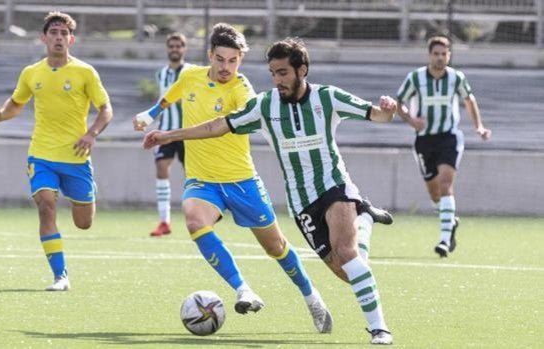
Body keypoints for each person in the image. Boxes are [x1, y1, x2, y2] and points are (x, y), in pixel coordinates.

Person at [143, 38, 395, 345]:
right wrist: (168, 135)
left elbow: (377, 116)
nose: (277, 81)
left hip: (333, 186)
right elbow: (216, 126)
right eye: (273, 73)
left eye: (283, 73)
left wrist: (388, 110)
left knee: (345, 253)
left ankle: (379, 329)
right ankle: (364, 221)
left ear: (302, 70)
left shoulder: (328, 97)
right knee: (347, 271)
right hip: (300, 200)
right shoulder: (265, 105)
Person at [133, 24, 333, 333]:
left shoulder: (242, 89)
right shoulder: (189, 78)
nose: (226, 67)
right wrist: (150, 114)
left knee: (276, 247)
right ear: (210, 55)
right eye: (221, 59)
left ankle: (311, 298)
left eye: (233, 60)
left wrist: (168, 134)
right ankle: (243, 288)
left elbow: (229, 121)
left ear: (240, 60)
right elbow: (168, 98)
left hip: (242, 181)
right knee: (195, 221)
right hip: (202, 180)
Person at [0, 11, 113, 291]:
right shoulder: (32, 73)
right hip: (41, 154)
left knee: (84, 223)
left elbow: (105, 109)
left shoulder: (85, 72)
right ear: (44, 38)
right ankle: (60, 276)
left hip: (76, 157)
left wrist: (91, 134)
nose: (58, 37)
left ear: (71, 39)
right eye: (53, 32)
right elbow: (16, 103)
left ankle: (83, 197)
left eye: (63, 33)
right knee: (45, 205)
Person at [395, 36, 491, 258]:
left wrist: (479, 127)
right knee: (434, 192)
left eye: (444, 54)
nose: (440, 58)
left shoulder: (457, 78)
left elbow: (469, 101)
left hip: (449, 137)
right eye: (436, 54)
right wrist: (412, 121)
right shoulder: (416, 78)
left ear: (449, 55)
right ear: (430, 55)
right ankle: (451, 220)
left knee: (446, 184)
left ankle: (444, 240)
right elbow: (399, 102)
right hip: (424, 140)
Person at [148, 32, 191, 237]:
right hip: (166, 130)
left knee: (193, 174)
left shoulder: (191, 72)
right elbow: (161, 102)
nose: (175, 49)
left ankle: (200, 215)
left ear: (184, 49)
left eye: (179, 46)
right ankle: (164, 221)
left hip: (187, 131)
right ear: (168, 49)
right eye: (172, 46)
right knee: (161, 167)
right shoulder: (160, 74)